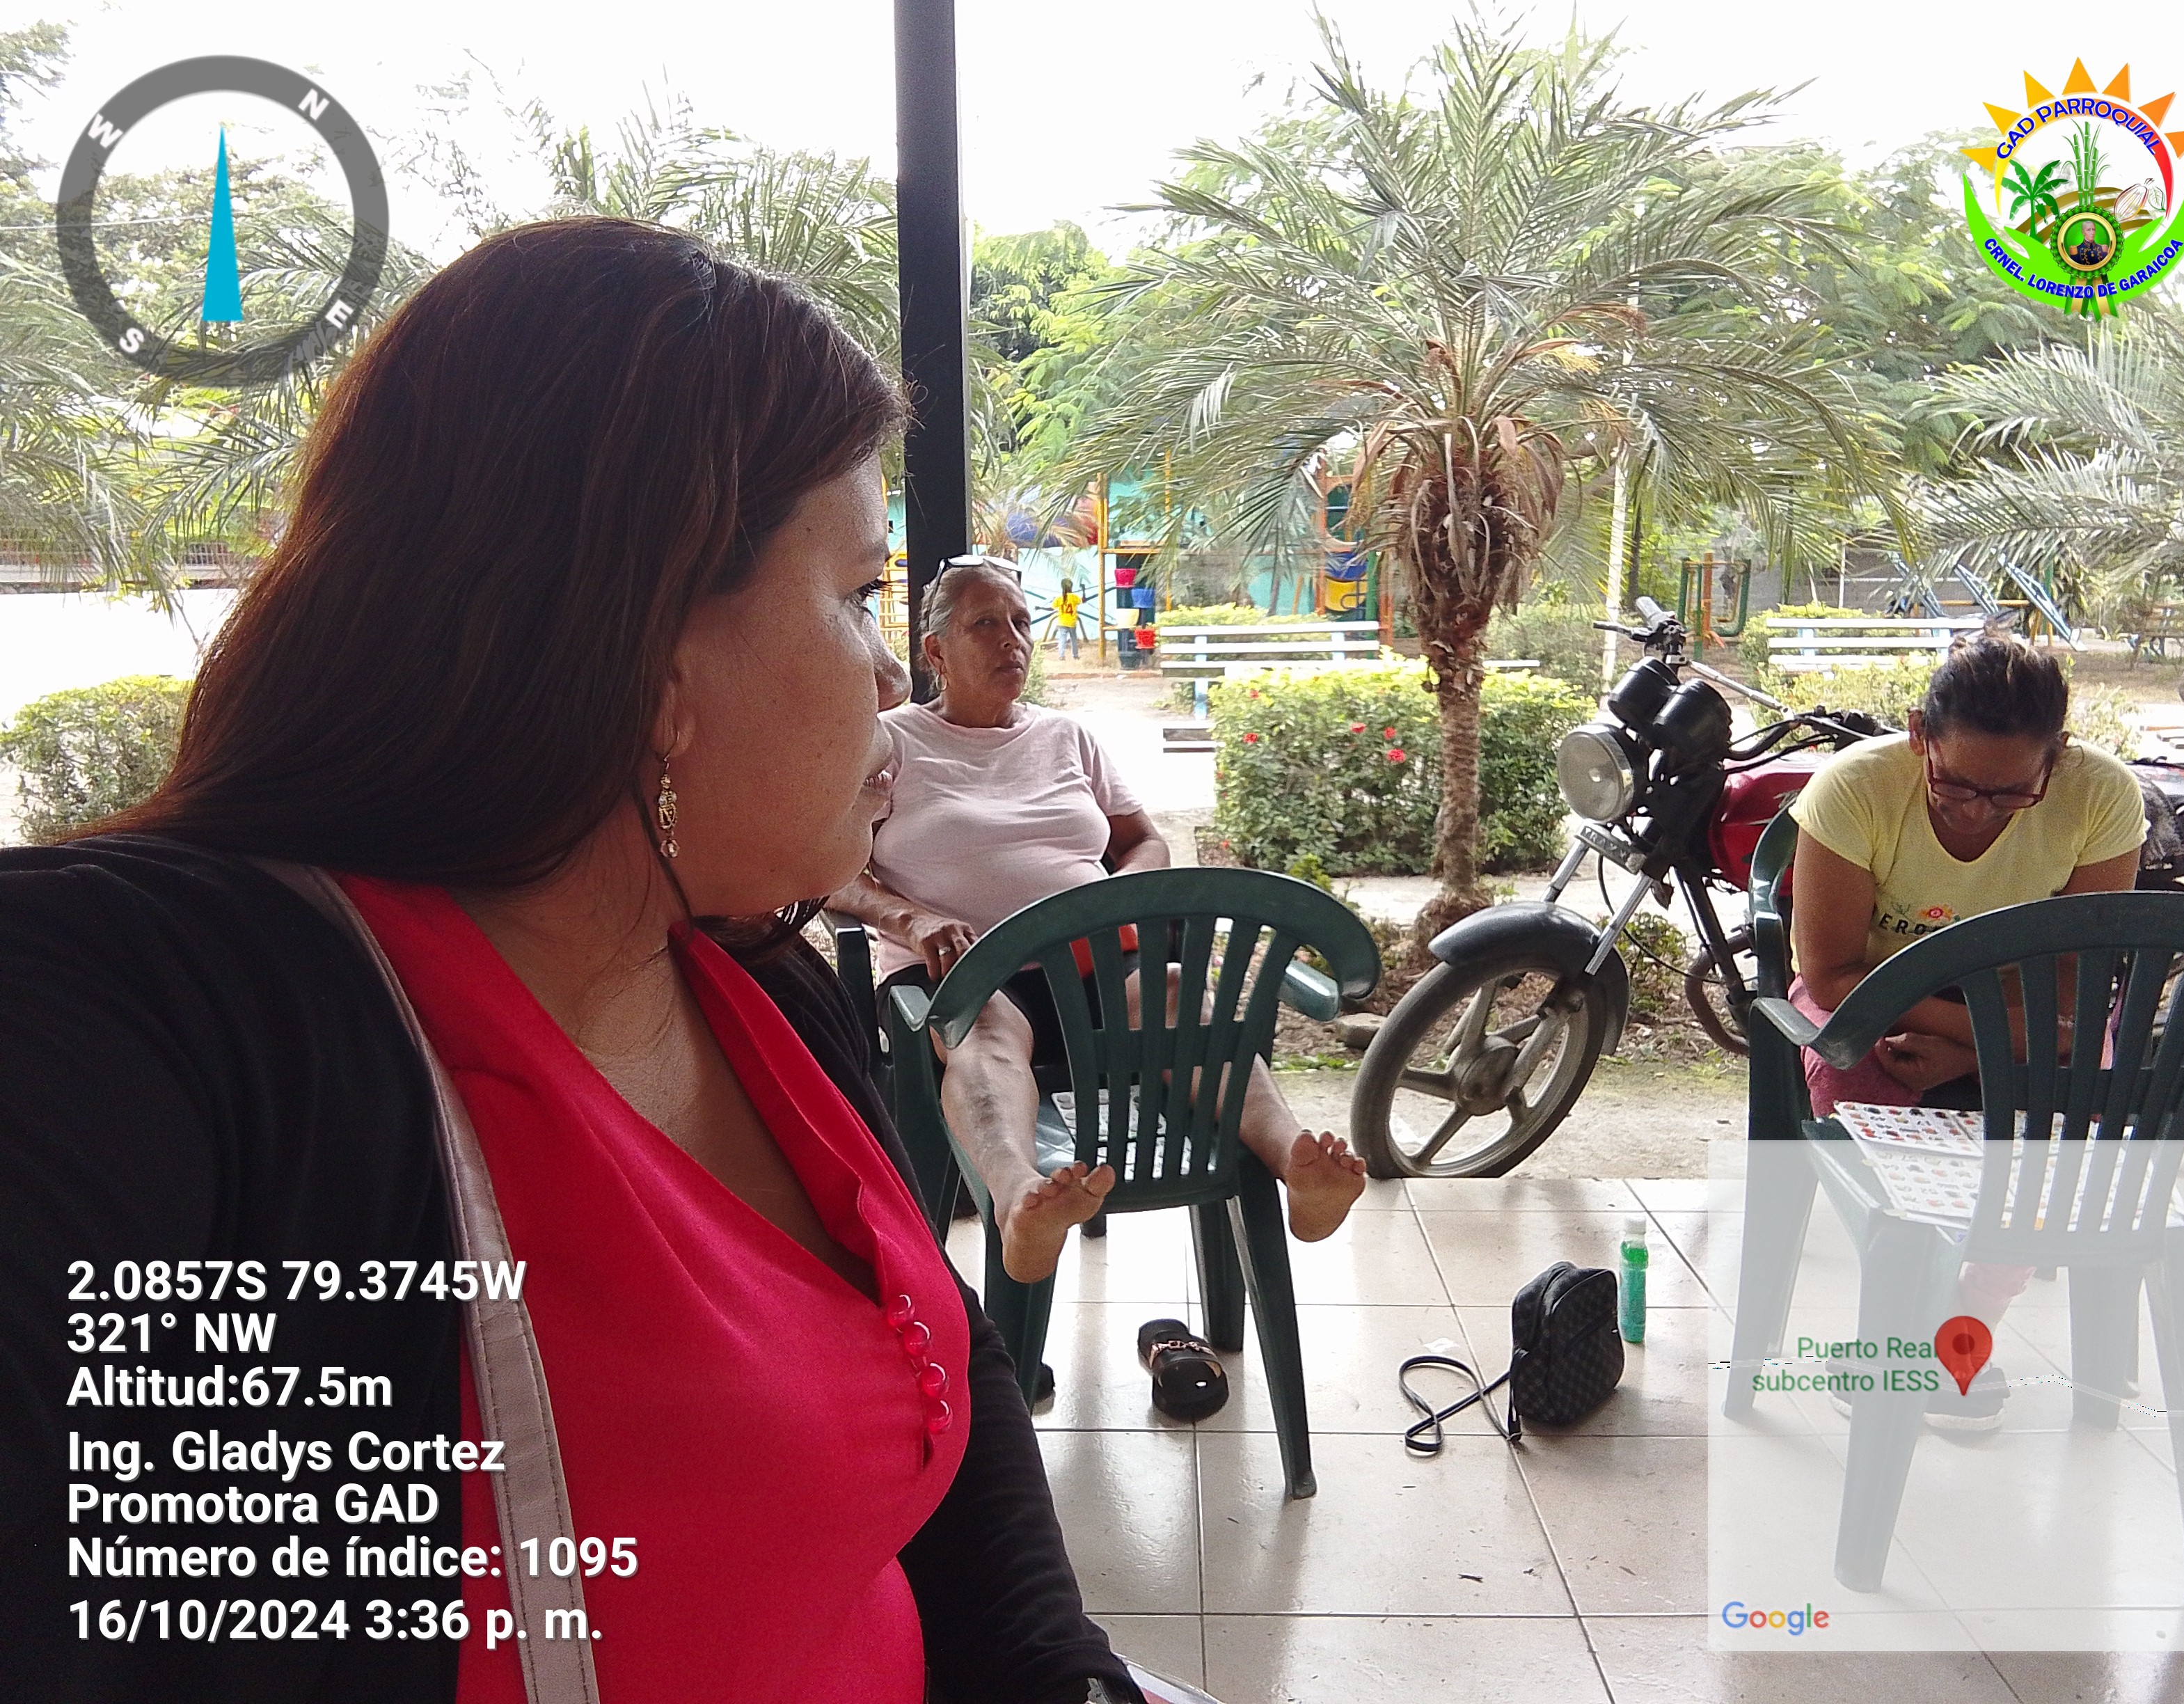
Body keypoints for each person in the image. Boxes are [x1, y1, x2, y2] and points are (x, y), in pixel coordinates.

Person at [0, 220, 1143, 1704]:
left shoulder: (758, 984)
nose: (885, 675)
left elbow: (942, 1360)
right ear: (654, 652)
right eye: (861, 595)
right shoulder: (155, 1017)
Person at [829, 560, 1368, 1285]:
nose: (1012, 639)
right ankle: (1019, 1201)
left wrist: (1120, 900)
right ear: (935, 651)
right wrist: (912, 918)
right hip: (963, 976)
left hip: (1092, 969)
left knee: (1174, 990)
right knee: (984, 1028)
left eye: (1022, 622)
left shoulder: (1066, 736)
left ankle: (1295, 1165)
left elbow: (1144, 841)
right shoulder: (891, 743)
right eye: (985, 623)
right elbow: (830, 869)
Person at [1788, 632, 2146, 1425]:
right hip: (1876, 995)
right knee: (1862, 1088)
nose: (1978, 809)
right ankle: (1908, 1321)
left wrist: (1970, 1049)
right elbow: (1834, 974)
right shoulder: (1855, 789)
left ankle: (1958, 1330)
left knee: (2057, 1130)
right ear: (1920, 733)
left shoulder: (2102, 797)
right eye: (1954, 784)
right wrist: (1987, 1039)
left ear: (2056, 754)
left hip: (2026, 1010)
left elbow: (2071, 999)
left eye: (2013, 794)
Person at [1051, 576, 1084, 661]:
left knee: (1062, 640)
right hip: (1072, 623)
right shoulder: (1074, 597)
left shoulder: (1059, 598)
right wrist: (1084, 591)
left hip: (1062, 623)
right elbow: (1083, 600)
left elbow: (1051, 608)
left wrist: (1040, 608)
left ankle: (1061, 656)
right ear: (1071, 586)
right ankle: (1075, 655)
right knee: (1074, 640)